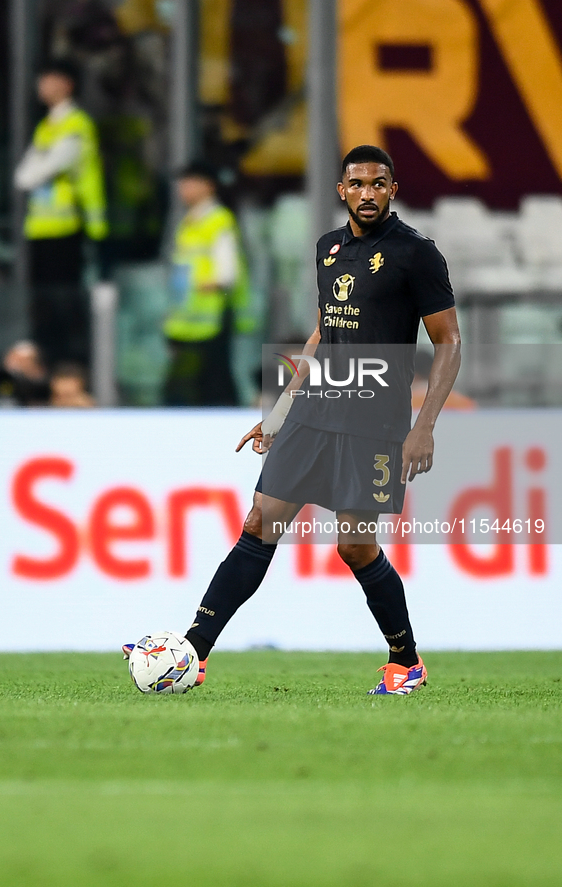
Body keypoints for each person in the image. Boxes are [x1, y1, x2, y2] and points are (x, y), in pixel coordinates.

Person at [125, 145, 461, 695]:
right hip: (316, 406)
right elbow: (323, 334)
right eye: (357, 184)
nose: (368, 193)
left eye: (379, 184)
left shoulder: (416, 254)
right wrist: (279, 412)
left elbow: (448, 342)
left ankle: (408, 661)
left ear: (393, 189)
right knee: (260, 521)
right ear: (341, 191)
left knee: (355, 547)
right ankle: (193, 652)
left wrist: (423, 427)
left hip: (374, 418)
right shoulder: (328, 248)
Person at [14, 58, 108, 367]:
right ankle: (48, 366)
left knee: (66, 307)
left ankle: (70, 371)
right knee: (44, 305)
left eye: (48, 79)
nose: (41, 86)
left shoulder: (75, 124)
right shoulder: (48, 125)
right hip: (43, 228)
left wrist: (37, 170)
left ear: (67, 84)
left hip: (71, 226)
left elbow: (34, 174)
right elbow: (22, 175)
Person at [163, 161, 254, 406]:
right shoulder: (189, 222)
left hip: (213, 314)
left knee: (215, 378)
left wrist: (202, 288)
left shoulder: (218, 220)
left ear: (208, 187)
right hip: (190, 318)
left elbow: (228, 273)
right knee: (195, 382)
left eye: (190, 182)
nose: (184, 189)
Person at [0, 340, 50, 407]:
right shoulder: (3, 401)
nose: (13, 368)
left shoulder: (52, 391)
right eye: (11, 362)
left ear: (38, 368)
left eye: (20, 362)